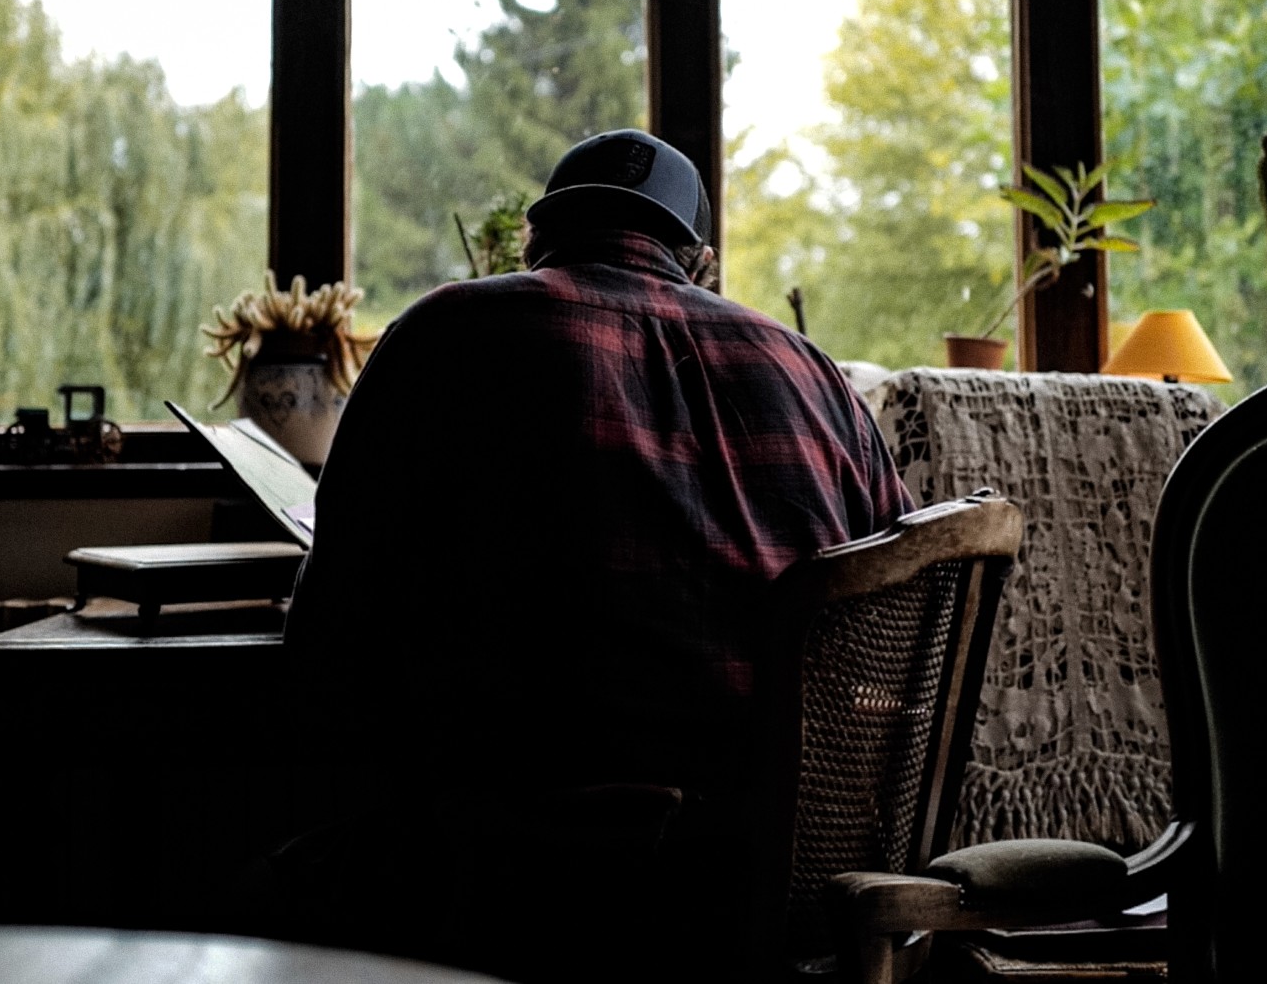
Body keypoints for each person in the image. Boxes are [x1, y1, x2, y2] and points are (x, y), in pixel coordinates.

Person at [273, 130, 908, 975]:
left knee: (264, 862)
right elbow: (897, 636)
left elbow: (329, 642)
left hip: (514, 884)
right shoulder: (816, 375)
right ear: (703, 261)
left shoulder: (448, 331)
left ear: (537, 238)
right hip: (777, 890)